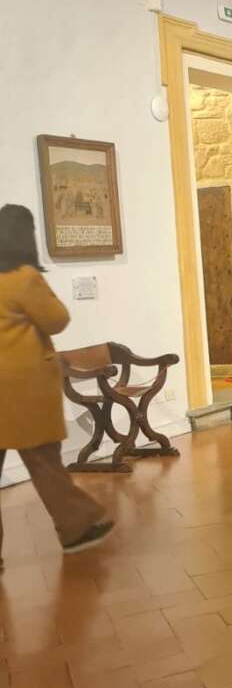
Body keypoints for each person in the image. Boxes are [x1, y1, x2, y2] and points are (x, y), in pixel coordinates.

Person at [0, 205, 115, 565]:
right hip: (23, 391)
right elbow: (56, 320)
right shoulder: (24, 278)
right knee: (45, 464)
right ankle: (77, 528)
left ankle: (77, 525)